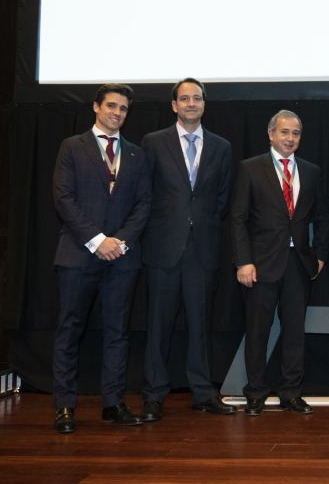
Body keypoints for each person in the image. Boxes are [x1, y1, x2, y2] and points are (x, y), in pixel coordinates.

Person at [51, 83, 152, 434]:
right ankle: (64, 406)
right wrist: (97, 241)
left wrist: (120, 242)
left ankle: (113, 403)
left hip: (122, 259)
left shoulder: (137, 155)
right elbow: (63, 198)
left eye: (123, 108)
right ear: (96, 107)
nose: (117, 113)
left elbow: (143, 204)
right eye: (111, 106)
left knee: (117, 333)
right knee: (69, 331)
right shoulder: (71, 147)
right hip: (79, 255)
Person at [139, 78, 235, 421]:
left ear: (204, 105)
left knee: (201, 326)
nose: (191, 103)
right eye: (185, 98)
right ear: (174, 105)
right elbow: (144, 194)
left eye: (197, 98)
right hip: (163, 248)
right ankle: (153, 395)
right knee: (158, 327)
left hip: (203, 249)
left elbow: (222, 198)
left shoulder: (221, 146)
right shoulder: (153, 142)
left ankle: (204, 393)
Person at [231, 110, 329, 416]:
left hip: (298, 264)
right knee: (258, 331)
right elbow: (238, 219)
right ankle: (256, 392)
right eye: (284, 132)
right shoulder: (250, 168)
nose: (290, 139)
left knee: (294, 332)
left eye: (296, 133)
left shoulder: (311, 171)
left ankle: (291, 393)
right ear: (271, 134)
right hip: (260, 265)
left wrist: (320, 255)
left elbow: (322, 217)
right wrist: (243, 261)